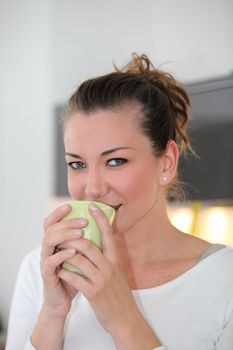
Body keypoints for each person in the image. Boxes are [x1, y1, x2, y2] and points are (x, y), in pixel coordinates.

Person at [5, 54, 233, 350]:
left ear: (166, 163)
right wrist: (53, 313)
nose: (93, 188)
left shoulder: (224, 281)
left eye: (115, 161)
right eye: (77, 164)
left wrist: (123, 319)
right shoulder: (41, 272)